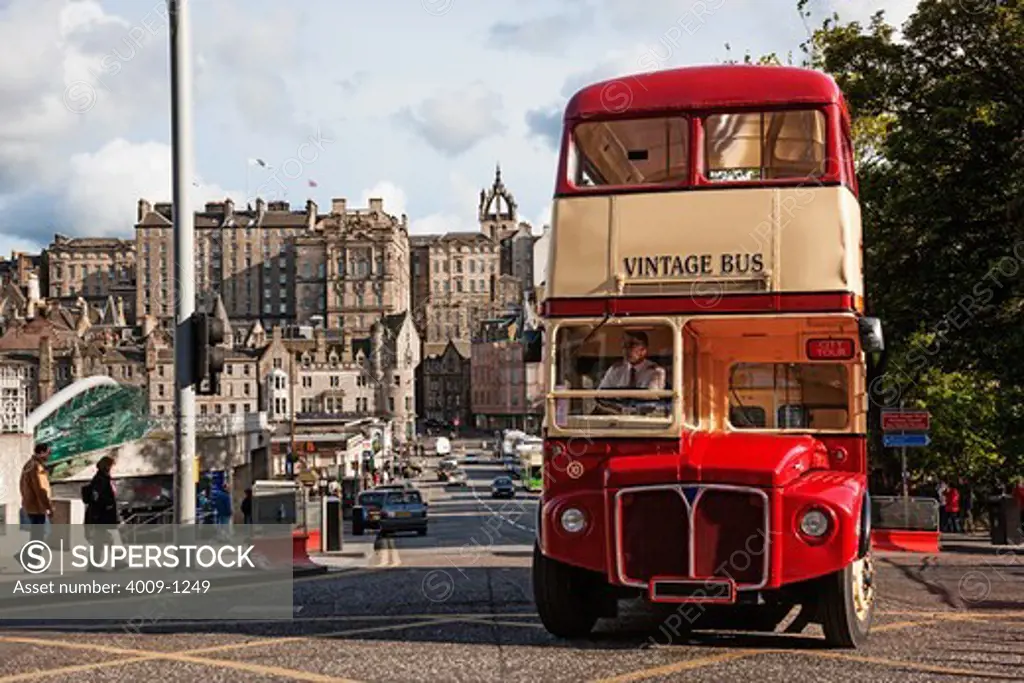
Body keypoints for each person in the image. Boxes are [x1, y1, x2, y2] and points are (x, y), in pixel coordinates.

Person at [598, 330, 666, 390]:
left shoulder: (656, 371)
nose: (626, 351)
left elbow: (652, 399)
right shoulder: (615, 370)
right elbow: (601, 394)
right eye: (624, 346)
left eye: (632, 346)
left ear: (644, 350)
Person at [84, 457, 119, 572]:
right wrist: (107, 504)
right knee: (101, 540)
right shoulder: (101, 479)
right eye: (112, 466)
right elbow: (96, 497)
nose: (113, 468)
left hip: (101, 515)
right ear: (107, 466)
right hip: (100, 516)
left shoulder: (103, 478)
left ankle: (117, 561)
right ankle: (94, 566)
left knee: (107, 539)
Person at [19, 443, 52, 544]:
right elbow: (41, 490)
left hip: (31, 505)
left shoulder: (29, 464)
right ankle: (28, 557)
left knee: (36, 535)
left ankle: (28, 557)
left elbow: (21, 485)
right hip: (37, 507)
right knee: (42, 534)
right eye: (48, 453)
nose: (49, 455)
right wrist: (49, 507)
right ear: (41, 453)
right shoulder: (37, 468)